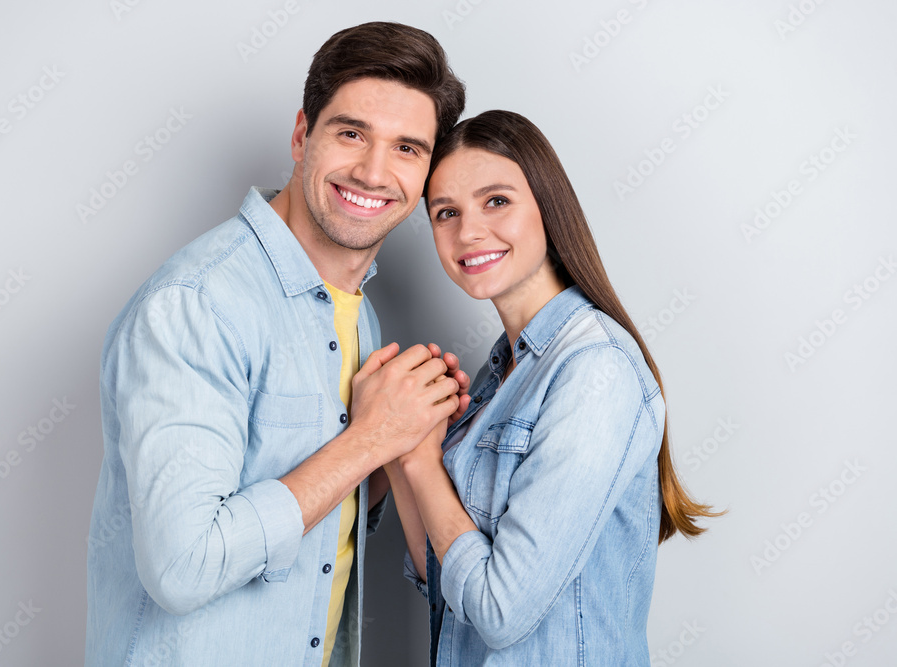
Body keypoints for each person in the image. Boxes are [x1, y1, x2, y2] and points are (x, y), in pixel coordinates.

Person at [85, 22, 467, 666]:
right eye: (351, 133)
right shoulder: (198, 305)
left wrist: (402, 441)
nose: (374, 172)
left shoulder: (358, 315)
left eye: (407, 148)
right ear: (301, 135)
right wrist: (370, 439)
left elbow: (322, 522)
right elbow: (183, 566)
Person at [385, 110, 722, 666]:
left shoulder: (595, 371)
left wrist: (423, 462)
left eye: (496, 201)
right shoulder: (502, 373)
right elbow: (444, 576)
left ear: (548, 206)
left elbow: (499, 610)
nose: (468, 231)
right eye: (446, 213)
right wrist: (403, 444)